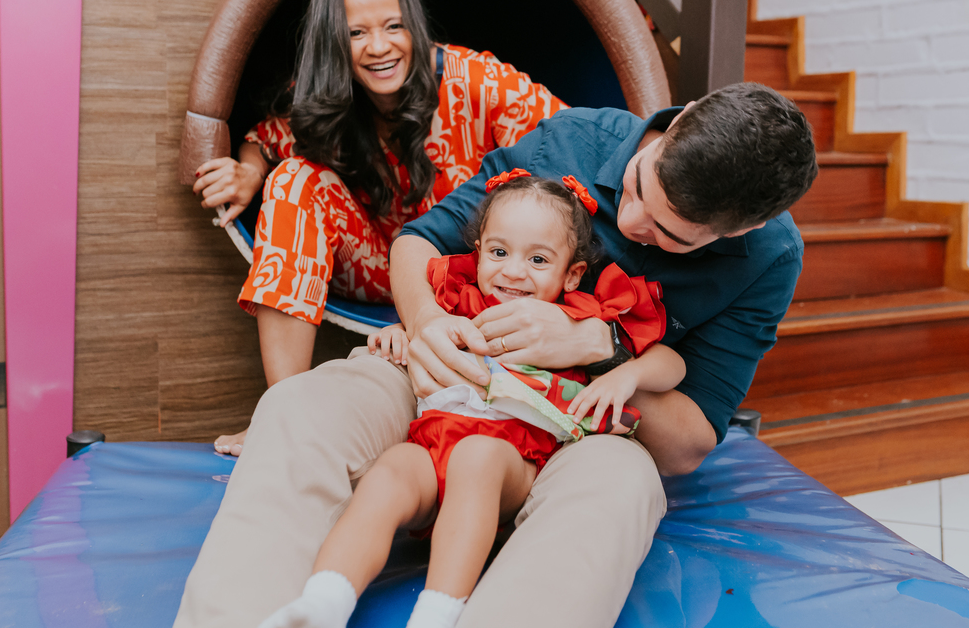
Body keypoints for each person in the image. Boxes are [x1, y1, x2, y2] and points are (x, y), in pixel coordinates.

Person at [173, 82, 818, 628]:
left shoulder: (767, 258)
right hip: (447, 377)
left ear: (742, 229)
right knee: (303, 405)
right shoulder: (573, 141)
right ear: (676, 123)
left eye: (668, 232)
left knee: (622, 491)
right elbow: (418, 244)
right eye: (638, 187)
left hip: (574, 432)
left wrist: (600, 349)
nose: (629, 223)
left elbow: (688, 441)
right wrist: (426, 324)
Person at [258, 173, 681, 628]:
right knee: (391, 470)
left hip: (511, 463)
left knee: (476, 459)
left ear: (572, 273)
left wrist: (626, 374)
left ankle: (436, 613)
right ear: (478, 253)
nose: (513, 271)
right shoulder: (460, 301)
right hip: (434, 447)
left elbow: (672, 363)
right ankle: (325, 600)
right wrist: (399, 335)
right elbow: (425, 328)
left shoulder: (574, 319)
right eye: (499, 253)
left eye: (538, 259)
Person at [190, 0, 565, 455]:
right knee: (293, 177)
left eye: (394, 26)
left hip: (469, 273)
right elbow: (265, 139)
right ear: (334, 44)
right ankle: (282, 411)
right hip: (372, 261)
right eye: (357, 33)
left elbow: (567, 140)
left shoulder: (477, 80)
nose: (380, 46)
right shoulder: (324, 93)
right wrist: (247, 173)